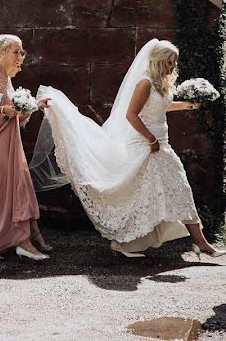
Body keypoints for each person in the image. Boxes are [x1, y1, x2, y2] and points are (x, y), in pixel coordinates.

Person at [36, 39, 225, 258]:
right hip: (146, 145)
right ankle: (129, 243)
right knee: (146, 194)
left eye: (175, 62)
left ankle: (199, 243)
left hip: (161, 144)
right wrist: (151, 139)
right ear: (158, 61)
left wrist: (185, 104)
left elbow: (159, 106)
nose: (173, 67)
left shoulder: (161, 82)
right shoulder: (144, 82)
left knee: (179, 190)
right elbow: (131, 114)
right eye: (169, 62)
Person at [0, 34, 50, 261]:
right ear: (2, 53)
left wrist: (35, 106)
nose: (20, 57)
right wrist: (3, 111)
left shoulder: (8, 79)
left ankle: (19, 241)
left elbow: (16, 114)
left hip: (8, 140)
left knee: (12, 189)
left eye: (21, 52)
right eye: (16, 51)